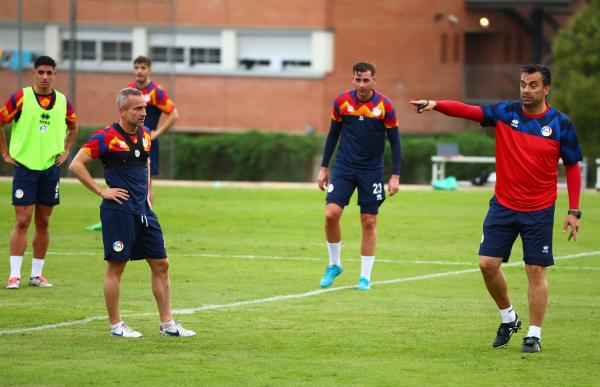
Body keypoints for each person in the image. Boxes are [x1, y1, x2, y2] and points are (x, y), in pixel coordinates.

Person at [410, 64, 583, 353]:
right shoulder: (506, 112)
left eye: (533, 85)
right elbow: (469, 111)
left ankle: (534, 334)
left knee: (535, 270)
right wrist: (435, 105)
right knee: (487, 265)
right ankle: (509, 317)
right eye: (523, 84)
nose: (526, 90)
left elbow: (573, 167)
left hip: (539, 209)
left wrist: (574, 211)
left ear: (546, 89)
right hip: (503, 205)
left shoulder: (560, 124)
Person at [69, 87, 194, 338]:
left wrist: (147, 193)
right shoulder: (105, 136)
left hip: (144, 211)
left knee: (161, 264)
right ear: (122, 110)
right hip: (119, 212)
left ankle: (167, 324)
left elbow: (146, 162)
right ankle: (116, 326)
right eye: (137, 108)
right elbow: (76, 164)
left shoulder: (146, 134)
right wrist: (102, 191)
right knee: (117, 267)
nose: (143, 113)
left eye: (145, 108)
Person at [318, 62, 402, 291]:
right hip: (344, 167)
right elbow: (332, 135)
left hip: (371, 170)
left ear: (374, 80)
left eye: (366, 80)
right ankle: (334, 264)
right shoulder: (342, 101)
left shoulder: (385, 105)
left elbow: (395, 142)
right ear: (353, 79)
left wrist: (395, 175)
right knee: (331, 214)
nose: (362, 84)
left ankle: (365, 277)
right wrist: (324, 167)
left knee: (368, 221)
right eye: (358, 79)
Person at [0, 55, 78, 289]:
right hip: (25, 168)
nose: (45, 77)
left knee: (43, 221)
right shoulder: (21, 98)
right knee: (22, 221)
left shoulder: (64, 102)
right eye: (41, 72)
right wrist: (5, 154)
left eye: (49, 73)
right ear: (33, 73)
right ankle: (14, 275)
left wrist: (65, 151)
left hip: (49, 170)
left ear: (55, 75)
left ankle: (36, 275)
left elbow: (73, 126)